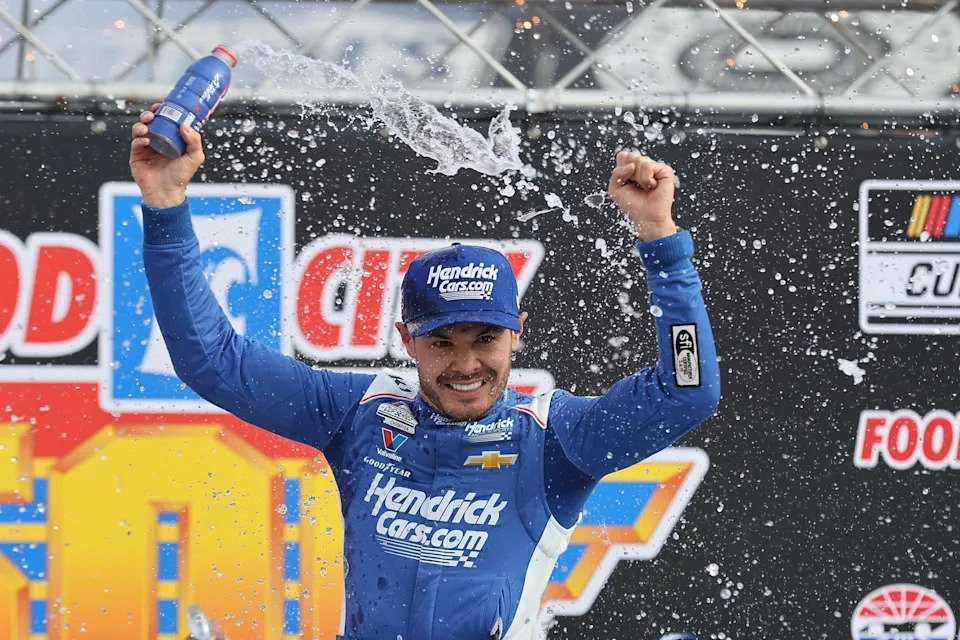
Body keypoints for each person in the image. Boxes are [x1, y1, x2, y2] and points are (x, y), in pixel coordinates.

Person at [129, 112, 720, 640]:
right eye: (441, 343)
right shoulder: (358, 411)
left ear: (517, 333)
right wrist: (165, 204)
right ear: (406, 340)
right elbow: (212, 359)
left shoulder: (554, 438)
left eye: (485, 340)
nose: (465, 366)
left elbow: (687, 391)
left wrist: (661, 242)